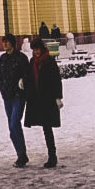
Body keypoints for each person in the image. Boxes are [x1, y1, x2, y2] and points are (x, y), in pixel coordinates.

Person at [23, 36, 63, 168]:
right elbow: (29, 77)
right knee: (46, 128)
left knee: (47, 128)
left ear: (42, 48)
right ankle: (52, 156)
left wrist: (58, 97)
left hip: (48, 99)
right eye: (34, 49)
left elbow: (56, 80)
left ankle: (52, 156)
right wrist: (23, 83)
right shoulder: (32, 61)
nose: (36, 52)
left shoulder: (49, 61)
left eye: (38, 49)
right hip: (37, 99)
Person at [0, 33, 30, 167]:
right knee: (13, 127)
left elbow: (28, 74)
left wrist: (23, 81)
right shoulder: (2, 58)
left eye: (7, 42)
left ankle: (22, 155)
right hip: (7, 97)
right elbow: (1, 76)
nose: (4, 44)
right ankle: (21, 154)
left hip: (18, 96)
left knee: (14, 123)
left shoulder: (21, 58)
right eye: (3, 41)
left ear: (12, 43)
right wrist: (2, 90)